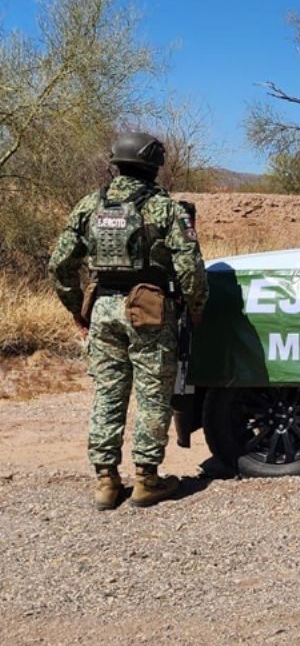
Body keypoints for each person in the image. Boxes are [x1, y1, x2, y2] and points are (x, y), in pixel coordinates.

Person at [49, 132, 208, 510]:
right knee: (153, 395)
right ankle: (146, 481)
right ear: (154, 167)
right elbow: (190, 268)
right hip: (150, 310)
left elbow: (59, 265)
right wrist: (196, 307)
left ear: (116, 164)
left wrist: (77, 309)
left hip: (103, 308)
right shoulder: (165, 209)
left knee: (108, 393)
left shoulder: (90, 205)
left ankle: (106, 482)